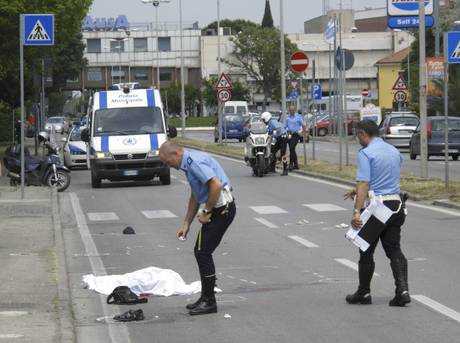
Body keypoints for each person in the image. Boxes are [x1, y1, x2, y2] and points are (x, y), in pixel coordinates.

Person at [159, 142, 236, 315]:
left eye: (167, 161)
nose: (167, 166)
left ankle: (209, 301)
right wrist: (186, 223)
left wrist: (207, 211)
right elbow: (196, 194)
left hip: (221, 209)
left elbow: (215, 185)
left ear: (176, 154)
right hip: (218, 208)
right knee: (201, 251)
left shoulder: (194, 162)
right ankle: (206, 297)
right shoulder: (188, 164)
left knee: (202, 252)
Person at [344, 120, 410, 307]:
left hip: (377, 209)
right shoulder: (393, 151)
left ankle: (364, 293)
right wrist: (356, 191)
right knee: (394, 249)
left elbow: (364, 183)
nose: (357, 138)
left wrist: (357, 211)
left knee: (365, 249)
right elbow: (385, 178)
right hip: (396, 205)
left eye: (357, 134)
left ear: (364, 133)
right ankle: (402, 291)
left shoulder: (366, 153)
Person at [261, 111, 289, 176]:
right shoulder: (272, 122)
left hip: (283, 138)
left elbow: (277, 129)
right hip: (280, 138)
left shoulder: (272, 122)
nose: (263, 121)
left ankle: (285, 170)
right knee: (272, 151)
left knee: (283, 154)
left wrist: (273, 139)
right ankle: (272, 168)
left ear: (266, 118)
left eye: (264, 119)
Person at [285, 106, 306, 170]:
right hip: (289, 134)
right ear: (289, 111)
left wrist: (303, 133)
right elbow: (285, 126)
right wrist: (287, 130)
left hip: (296, 134)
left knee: (292, 148)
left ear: (295, 110)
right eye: (290, 110)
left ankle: (291, 164)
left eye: (293, 110)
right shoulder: (287, 118)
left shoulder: (298, 117)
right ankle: (296, 164)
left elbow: (303, 125)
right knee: (292, 149)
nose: (291, 111)